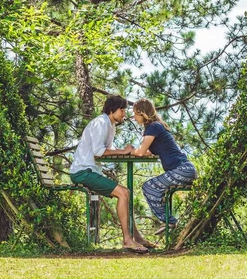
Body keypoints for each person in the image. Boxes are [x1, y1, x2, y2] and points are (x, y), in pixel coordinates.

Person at [70, 95, 153, 253]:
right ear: (112, 110)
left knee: (125, 193)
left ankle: (137, 238)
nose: (124, 114)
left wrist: (127, 151)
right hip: (82, 172)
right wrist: (123, 151)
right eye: (122, 110)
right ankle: (128, 241)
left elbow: (107, 151)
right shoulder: (101, 123)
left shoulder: (110, 125)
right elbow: (99, 152)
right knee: (122, 193)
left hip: (90, 171)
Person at [130, 98, 197, 235]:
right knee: (153, 187)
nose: (133, 117)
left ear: (142, 113)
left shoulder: (153, 127)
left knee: (149, 187)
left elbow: (141, 152)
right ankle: (168, 221)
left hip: (182, 170)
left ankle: (169, 221)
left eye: (135, 113)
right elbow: (148, 151)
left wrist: (130, 150)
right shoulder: (155, 127)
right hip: (184, 170)